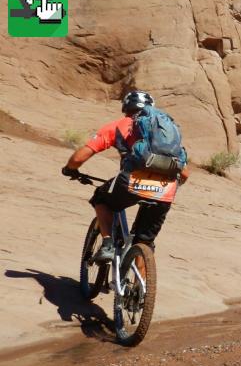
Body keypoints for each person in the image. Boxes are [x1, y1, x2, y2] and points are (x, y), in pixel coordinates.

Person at [61, 91, 189, 262]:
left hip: (131, 182)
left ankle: (107, 245)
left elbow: (78, 158)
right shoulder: (164, 133)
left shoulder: (118, 126)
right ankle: (141, 286)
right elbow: (185, 173)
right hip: (166, 189)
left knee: (101, 198)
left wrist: (70, 169)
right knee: (145, 242)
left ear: (126, 107)